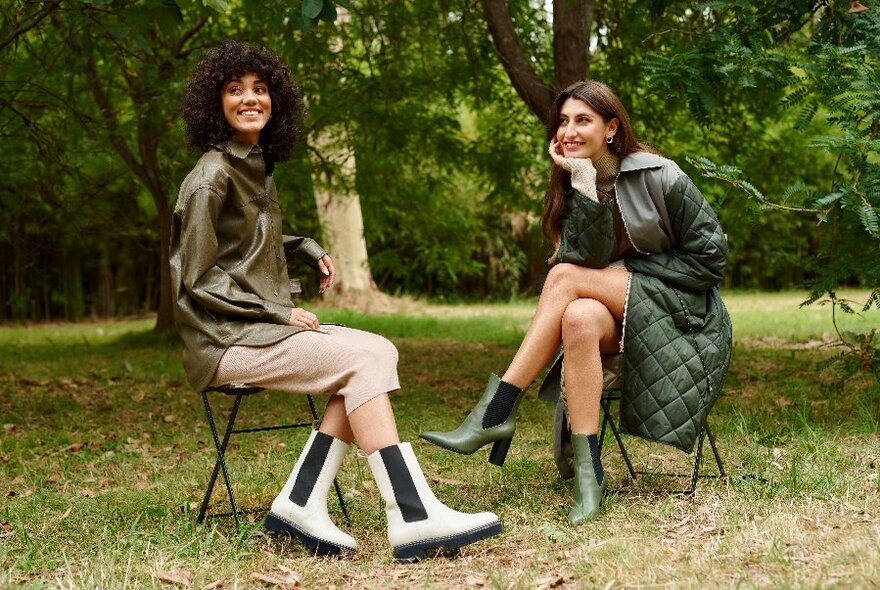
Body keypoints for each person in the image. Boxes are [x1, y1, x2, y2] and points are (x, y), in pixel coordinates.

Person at [170, 39, 502, 561]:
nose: (249, 98)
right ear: (215, 104)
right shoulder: (211, 176)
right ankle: (412, 515)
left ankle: (301, 502)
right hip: (224, 341)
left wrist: (302, 246)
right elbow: (197, 276)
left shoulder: (254, 165)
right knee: (360, 358)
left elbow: (240, 251)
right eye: (235, 90)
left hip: (251, 330)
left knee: (379, 350)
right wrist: (278, 311)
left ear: (275, 98)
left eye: (259, 88)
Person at [421, 80, 732, 524]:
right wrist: (584, 185)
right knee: (580, 317)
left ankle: (495, 411)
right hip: (623, 312)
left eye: (582, 120)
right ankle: (590, 478)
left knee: (564, 278)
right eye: (563, 120)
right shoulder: (574, 182)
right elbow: (585, 261)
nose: (569, 129)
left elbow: (712, 259)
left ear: (611, 128)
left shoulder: (661, 174)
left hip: (684, 311)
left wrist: (625, 273)